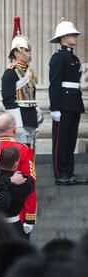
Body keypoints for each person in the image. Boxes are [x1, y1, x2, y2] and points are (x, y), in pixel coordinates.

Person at [49, 19, 87, 185]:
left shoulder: (74, 58)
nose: (75, 37)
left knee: (70, 141)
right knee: (61, 141)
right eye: (72, 34)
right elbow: (55, 84)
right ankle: (60, 174)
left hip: (73, 104)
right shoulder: (58, 57)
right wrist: (55, 108)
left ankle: (69, 172)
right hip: (63, 105)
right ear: (63, 38)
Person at [1, 17, 43, 147]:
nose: (29, 53)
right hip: (19, 119)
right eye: (26, 50)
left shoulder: (30, 72)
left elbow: (31, 95)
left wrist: (37, 112)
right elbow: (8, 99)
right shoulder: (10, 73)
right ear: (17, 53)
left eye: (29, 50)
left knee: (30, 153)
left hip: (30, 118)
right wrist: (17, 123)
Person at [0, 113, 37, 235]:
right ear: (14, 128)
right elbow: (30, 185)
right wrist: (29, 217)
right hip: (17, 214)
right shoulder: (23, 150)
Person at [0, 147, 34, 237]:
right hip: (15, 228)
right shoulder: (26, 183)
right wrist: (9, 180)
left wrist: (7, 180)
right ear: (16, 164)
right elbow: (31, 182)